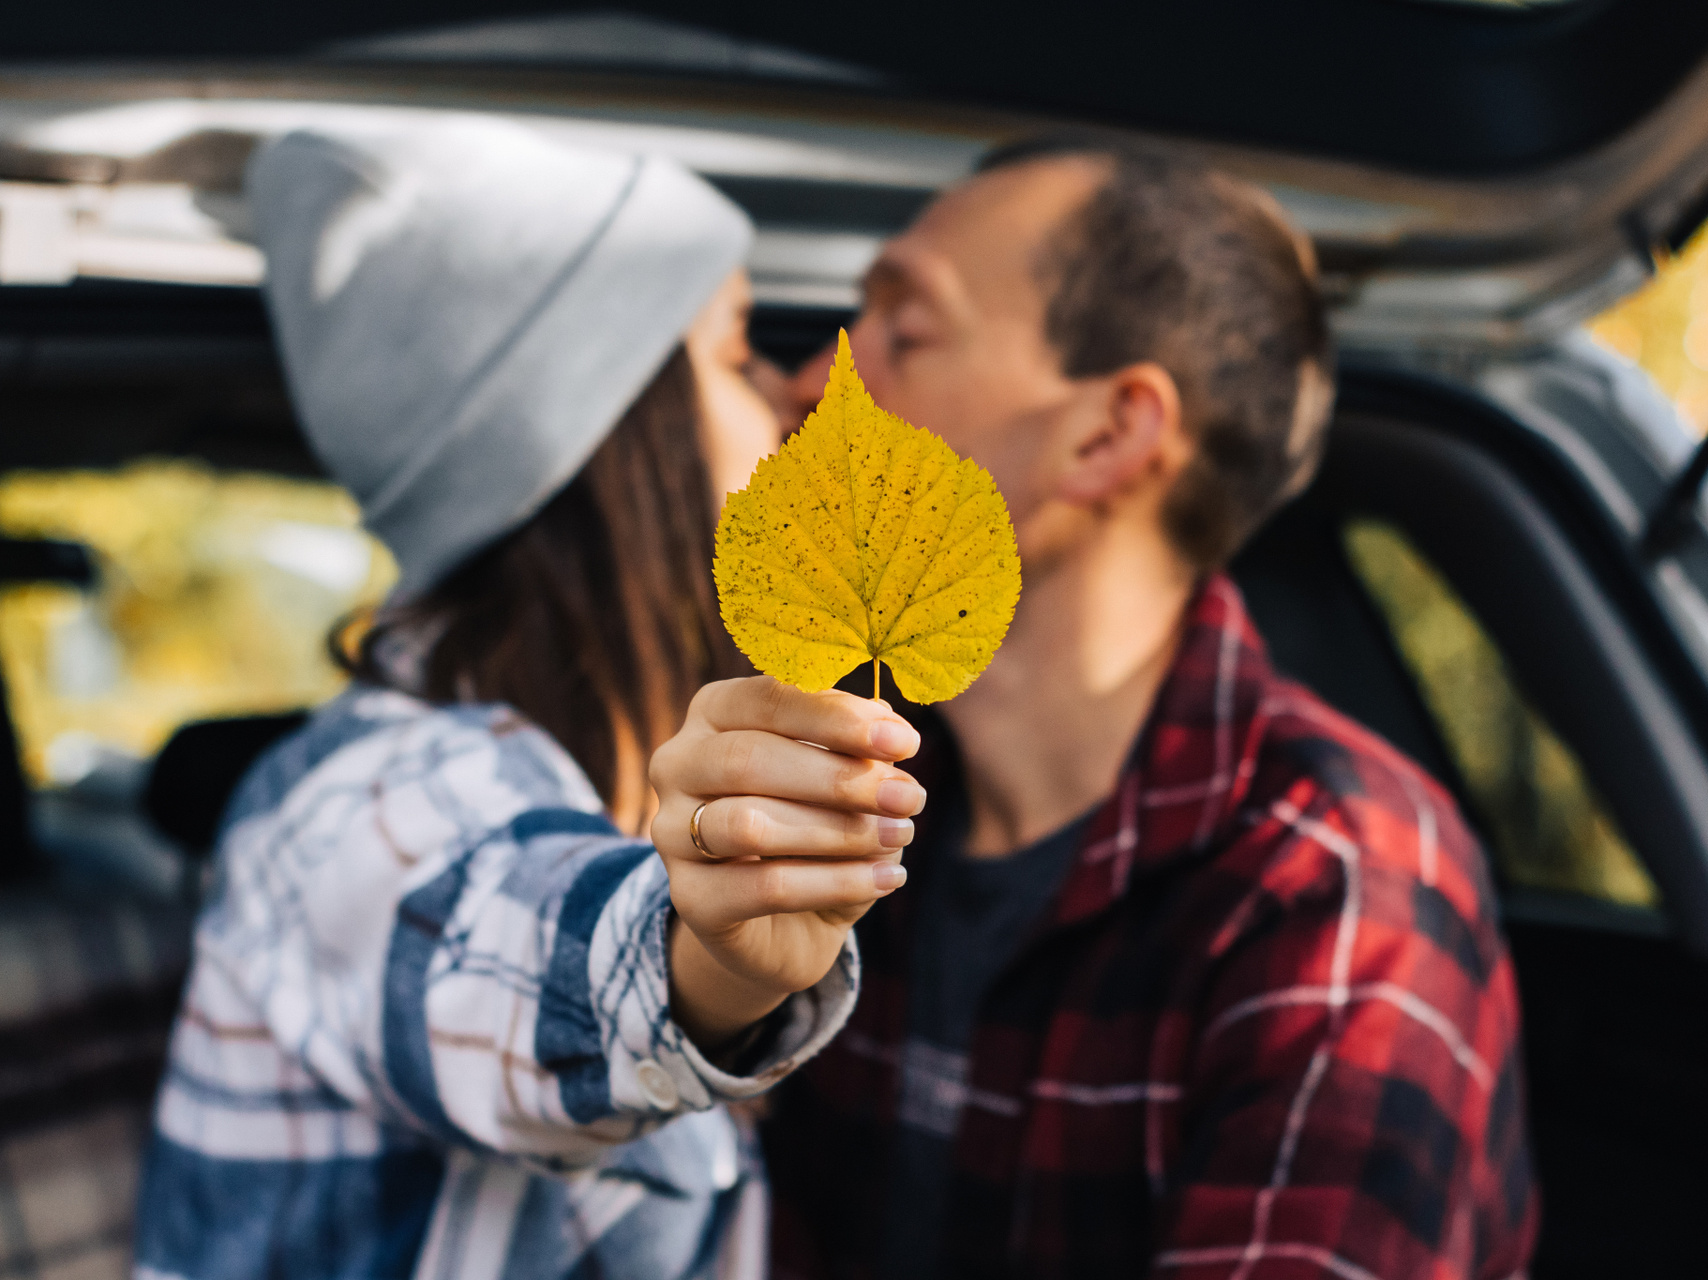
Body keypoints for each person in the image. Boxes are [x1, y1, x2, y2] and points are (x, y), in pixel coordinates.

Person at [648, 136, 1538, 1278]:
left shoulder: (1338, 881)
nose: (812, 379)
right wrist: (709, 993)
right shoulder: (848, 802)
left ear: (1108, 435)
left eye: (904, 333)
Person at [133, 119, 926, 1280]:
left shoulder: (568, 775)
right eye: (735, 350)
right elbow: (499, 947)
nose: (785, 398)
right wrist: (704, 956)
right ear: (611, 437)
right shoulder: (367, 799)